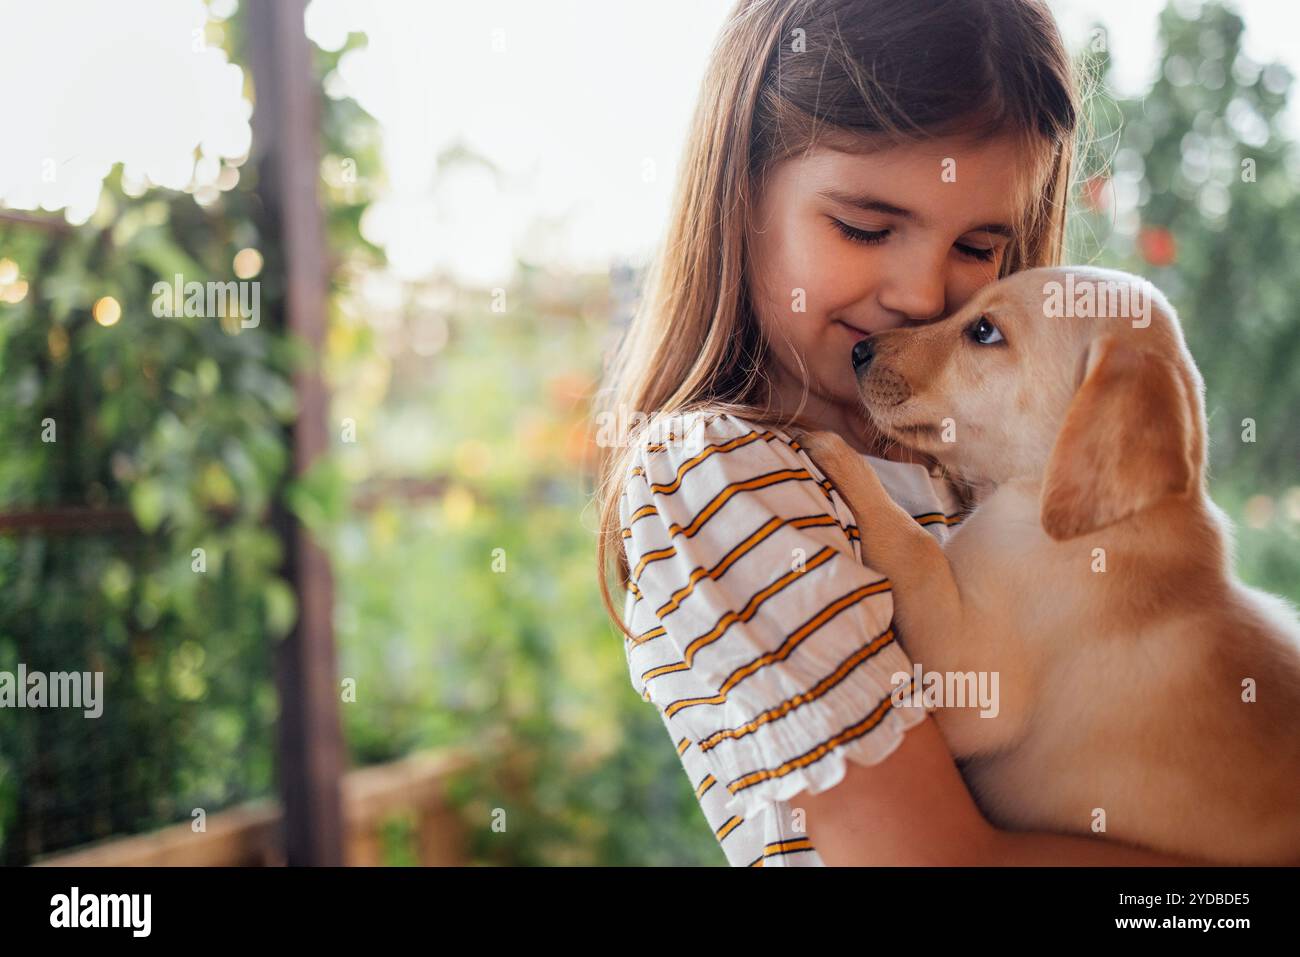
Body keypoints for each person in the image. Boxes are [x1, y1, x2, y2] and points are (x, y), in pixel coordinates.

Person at [593, 0, 1201, 866]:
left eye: (980, 244)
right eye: (866, 228)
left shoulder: (984, 467)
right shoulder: (719, 474)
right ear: (737, 192)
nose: (923, 296)